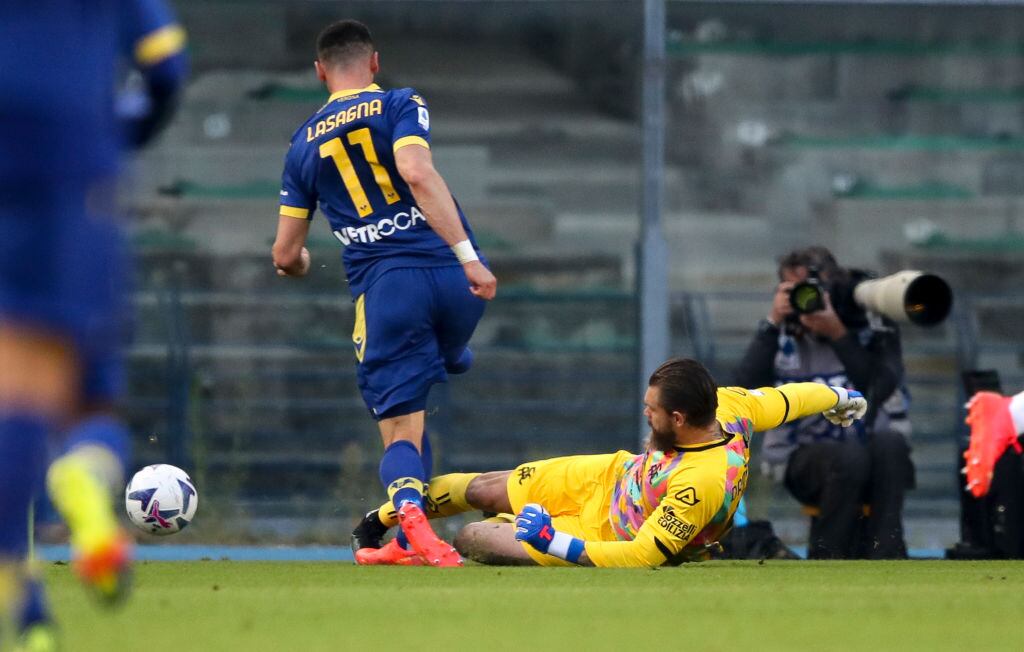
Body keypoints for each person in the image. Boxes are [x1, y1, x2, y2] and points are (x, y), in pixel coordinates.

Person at [272, 20, 497, 568]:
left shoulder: (302, 144)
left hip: (389, 292)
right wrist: (469, 257)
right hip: (454, 281)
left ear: (320, 72)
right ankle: (450, 355)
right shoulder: (400, 102)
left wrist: (301, 263)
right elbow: (417, 171)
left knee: (398, 429)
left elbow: (285, 254)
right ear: (374, 63)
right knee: (428, 388)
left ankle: (411, 521)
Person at [0, 0, 188, 645]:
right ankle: (83, 469)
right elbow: (165, 66)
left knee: (14, 385)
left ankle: (25, 604)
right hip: (74, 174)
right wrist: (112, 134)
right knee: (84, 393)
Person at [351, 357, 867, 567]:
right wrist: (840, 398)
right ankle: (382, 519)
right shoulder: (729, 405)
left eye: (652, 410)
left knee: (474, 537)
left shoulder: (702, 481)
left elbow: (643, 555)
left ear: (680, 418)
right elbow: (789, 398)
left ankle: (504, 530)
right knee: (485, 486)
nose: (645, 414)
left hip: (607, 533)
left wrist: (553, 542)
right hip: (610, 475)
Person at [733, 246, 914, 559]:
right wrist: (773, 322)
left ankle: (887, 552)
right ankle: (828, 556)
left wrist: (839, 335)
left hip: (870, 449)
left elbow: (880, 387)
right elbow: (741, 390)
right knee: (848, 458)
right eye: (797, 291)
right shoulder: (780, 337)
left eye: (817, 289)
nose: (810, 298)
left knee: (892, 445)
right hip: (803, 456)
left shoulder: (867, 325)